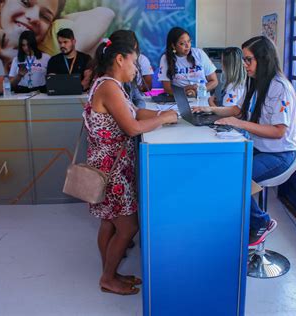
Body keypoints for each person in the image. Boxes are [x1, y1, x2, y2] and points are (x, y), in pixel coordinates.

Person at [84, 35, 177, 295]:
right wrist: (163, 118)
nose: (136, 69)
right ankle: (107, 278)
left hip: (112, 166)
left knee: (109, 223)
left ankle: (110, 272)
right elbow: (133, 127)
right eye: (134, 63)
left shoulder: (109, 84)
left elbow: (134, 113)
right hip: (110, 171)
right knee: (128, 227)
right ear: (119, 59)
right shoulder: (110, 87)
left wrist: (164, 116)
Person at [193, 36, 296, 244]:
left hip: (280, 154)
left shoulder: (280, 88)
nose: (245, 64)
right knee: (220, 169)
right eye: (244, 59)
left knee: (234, 176)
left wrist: (239, 123)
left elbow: (278, 131)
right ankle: (234, 224)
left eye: (249, 59)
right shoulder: (256, 82)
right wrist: (209, 108)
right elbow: (237, 110)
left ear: (264, 59)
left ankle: (261, 222)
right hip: (259, 148)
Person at [0, 0, 114, 65]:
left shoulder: (53, 36)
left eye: (45, 16)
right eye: (25, 2)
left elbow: (104, 13)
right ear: (0, 3)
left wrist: (61, 61)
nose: (34, 17)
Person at [158, 27, 218, 97]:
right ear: (173, 45)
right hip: (179, 99)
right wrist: (185, 90)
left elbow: (214, 81)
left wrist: (198, 91)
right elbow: (167, 89)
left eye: (189, 41)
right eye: (182, 43)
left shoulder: (199, 53)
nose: (187, 46)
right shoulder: (165, 58)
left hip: (202, 98)